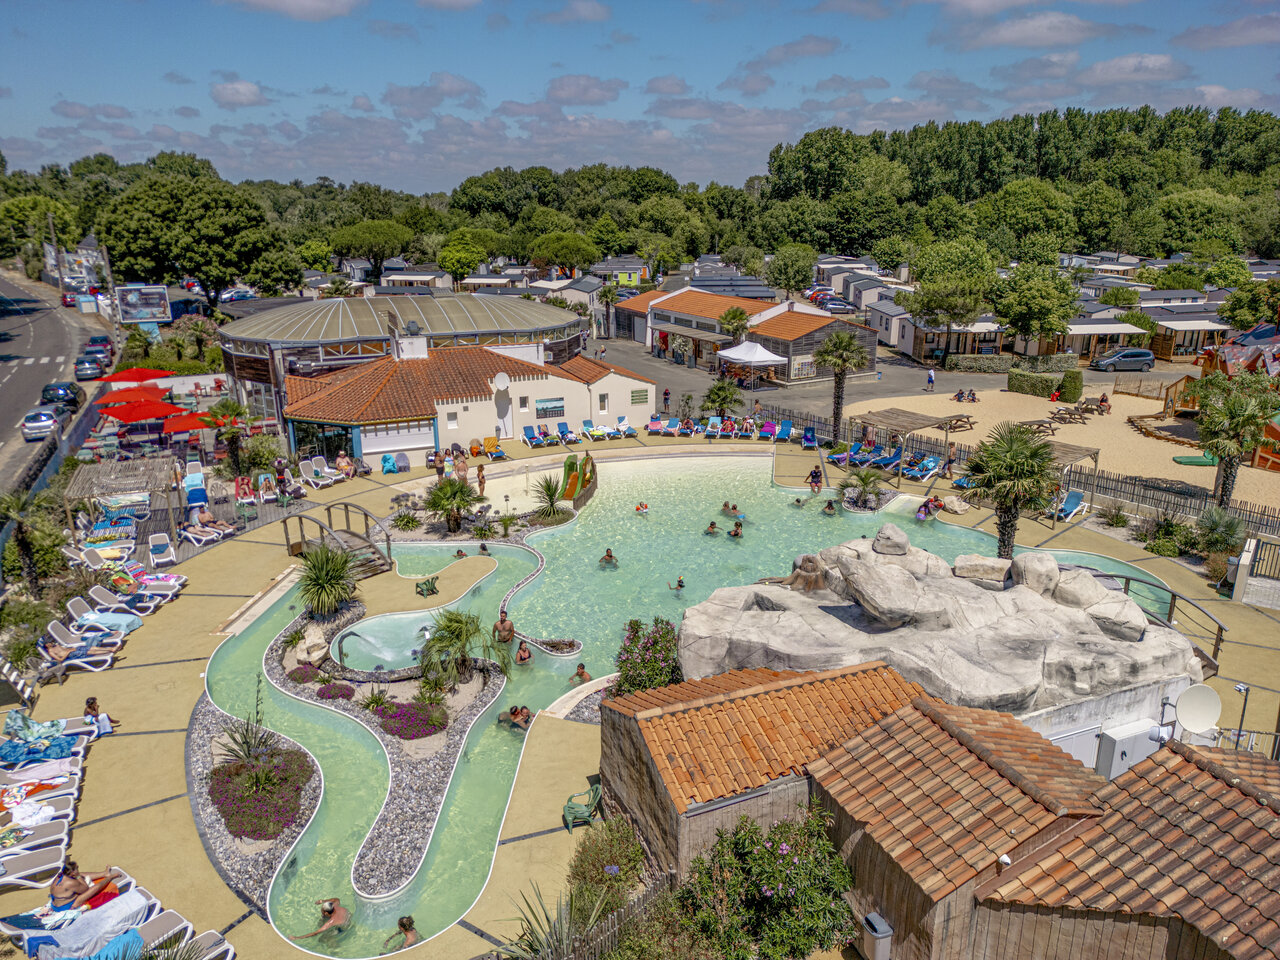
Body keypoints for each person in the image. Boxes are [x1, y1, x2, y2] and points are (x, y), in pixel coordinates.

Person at [49, 862, 124, 912]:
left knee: (80, 874)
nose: (78, 868)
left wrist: (78, 874)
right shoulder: (71, 883)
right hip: (64, 907)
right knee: (92, 890)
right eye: (77, 868)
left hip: (56, 903)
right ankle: (110, 877)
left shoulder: (60, 876)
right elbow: (86, 889)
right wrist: (78, 876)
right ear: (72, 873)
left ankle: (104, 873)